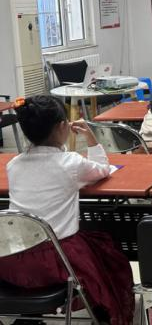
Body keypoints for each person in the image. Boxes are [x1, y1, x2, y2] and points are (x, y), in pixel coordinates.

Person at [0, 95, 134, 325]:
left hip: (11, 259)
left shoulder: (13, 165)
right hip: (54, 262)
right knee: (107, 253)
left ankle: (28, 315)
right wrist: (91, 138)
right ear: (63, 126)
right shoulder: (71, 163)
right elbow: (103, 169)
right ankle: (103, 313)